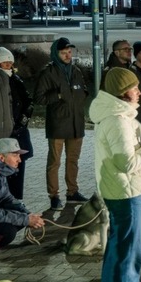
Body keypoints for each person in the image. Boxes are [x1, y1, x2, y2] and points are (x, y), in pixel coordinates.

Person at [90, 67, 141, 282]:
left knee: (117, 250)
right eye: (134, 87)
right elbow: (127, 162)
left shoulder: (119, 115)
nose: (139, 92)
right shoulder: (118, 120)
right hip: (126, 191)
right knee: (129, 255)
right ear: (122, 92)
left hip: (118, 190)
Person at [32, 37, 91, 211]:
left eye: (69, 52)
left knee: (73, 160)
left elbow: (84, 90)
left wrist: (81, 96)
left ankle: (72, 192)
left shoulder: (76, 71)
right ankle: (54, 196)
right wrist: (57, 96)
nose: (67, 55)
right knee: (54, 162)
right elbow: (38, 98)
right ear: (55, 54)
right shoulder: (48, 73)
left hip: (76, 123)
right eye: (63, 52)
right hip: (58, 124)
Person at [0, 138, 46, 259]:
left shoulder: (0, 171)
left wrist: (28, 215)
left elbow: (7, 199)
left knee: (19, 219)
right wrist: (25, 219)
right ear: (1, 158)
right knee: (7, 231)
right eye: (15, 155)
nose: (19, 160)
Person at [0, 46, 34, 200]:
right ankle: (6, 198)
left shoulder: (16, 80)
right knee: (4, 167)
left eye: (9, 62)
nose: (8, 65)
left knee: (19, 164)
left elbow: (28, 102)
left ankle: (16, 198)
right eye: (4, 62)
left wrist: (23, 120)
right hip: (4, 130)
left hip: (18, 131)